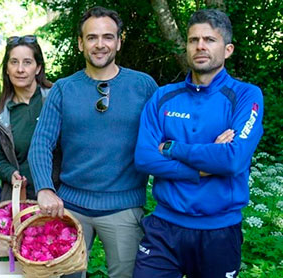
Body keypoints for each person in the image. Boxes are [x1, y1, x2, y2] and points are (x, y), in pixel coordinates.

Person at [28, 6, 158, 278]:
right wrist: (44, 188)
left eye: (108, 37)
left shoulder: (144, 86)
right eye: (92, 37)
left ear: (119, 42)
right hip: (70, 207)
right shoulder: (64, 89)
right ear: (80, 43)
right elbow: (41, 143)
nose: (100, 45)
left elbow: (167, 134)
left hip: (124, 208)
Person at [132, 9, 263, 278]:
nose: (200, 46)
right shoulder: (163, 97)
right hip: (164, 228)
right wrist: (203, 164)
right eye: (193, 40)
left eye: (209, 40)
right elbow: (144, 158)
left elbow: (232, 159)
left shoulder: (245, 95)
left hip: (219, 231)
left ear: (228, 49)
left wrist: (171, 148)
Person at [0, 35, 59, 201]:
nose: (20, 69)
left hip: (64, 197)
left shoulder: (56, 99)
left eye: (27, 62)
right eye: (14, 62)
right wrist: (10, 173)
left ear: (38, 68)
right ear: (6, 68)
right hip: (24, 200)